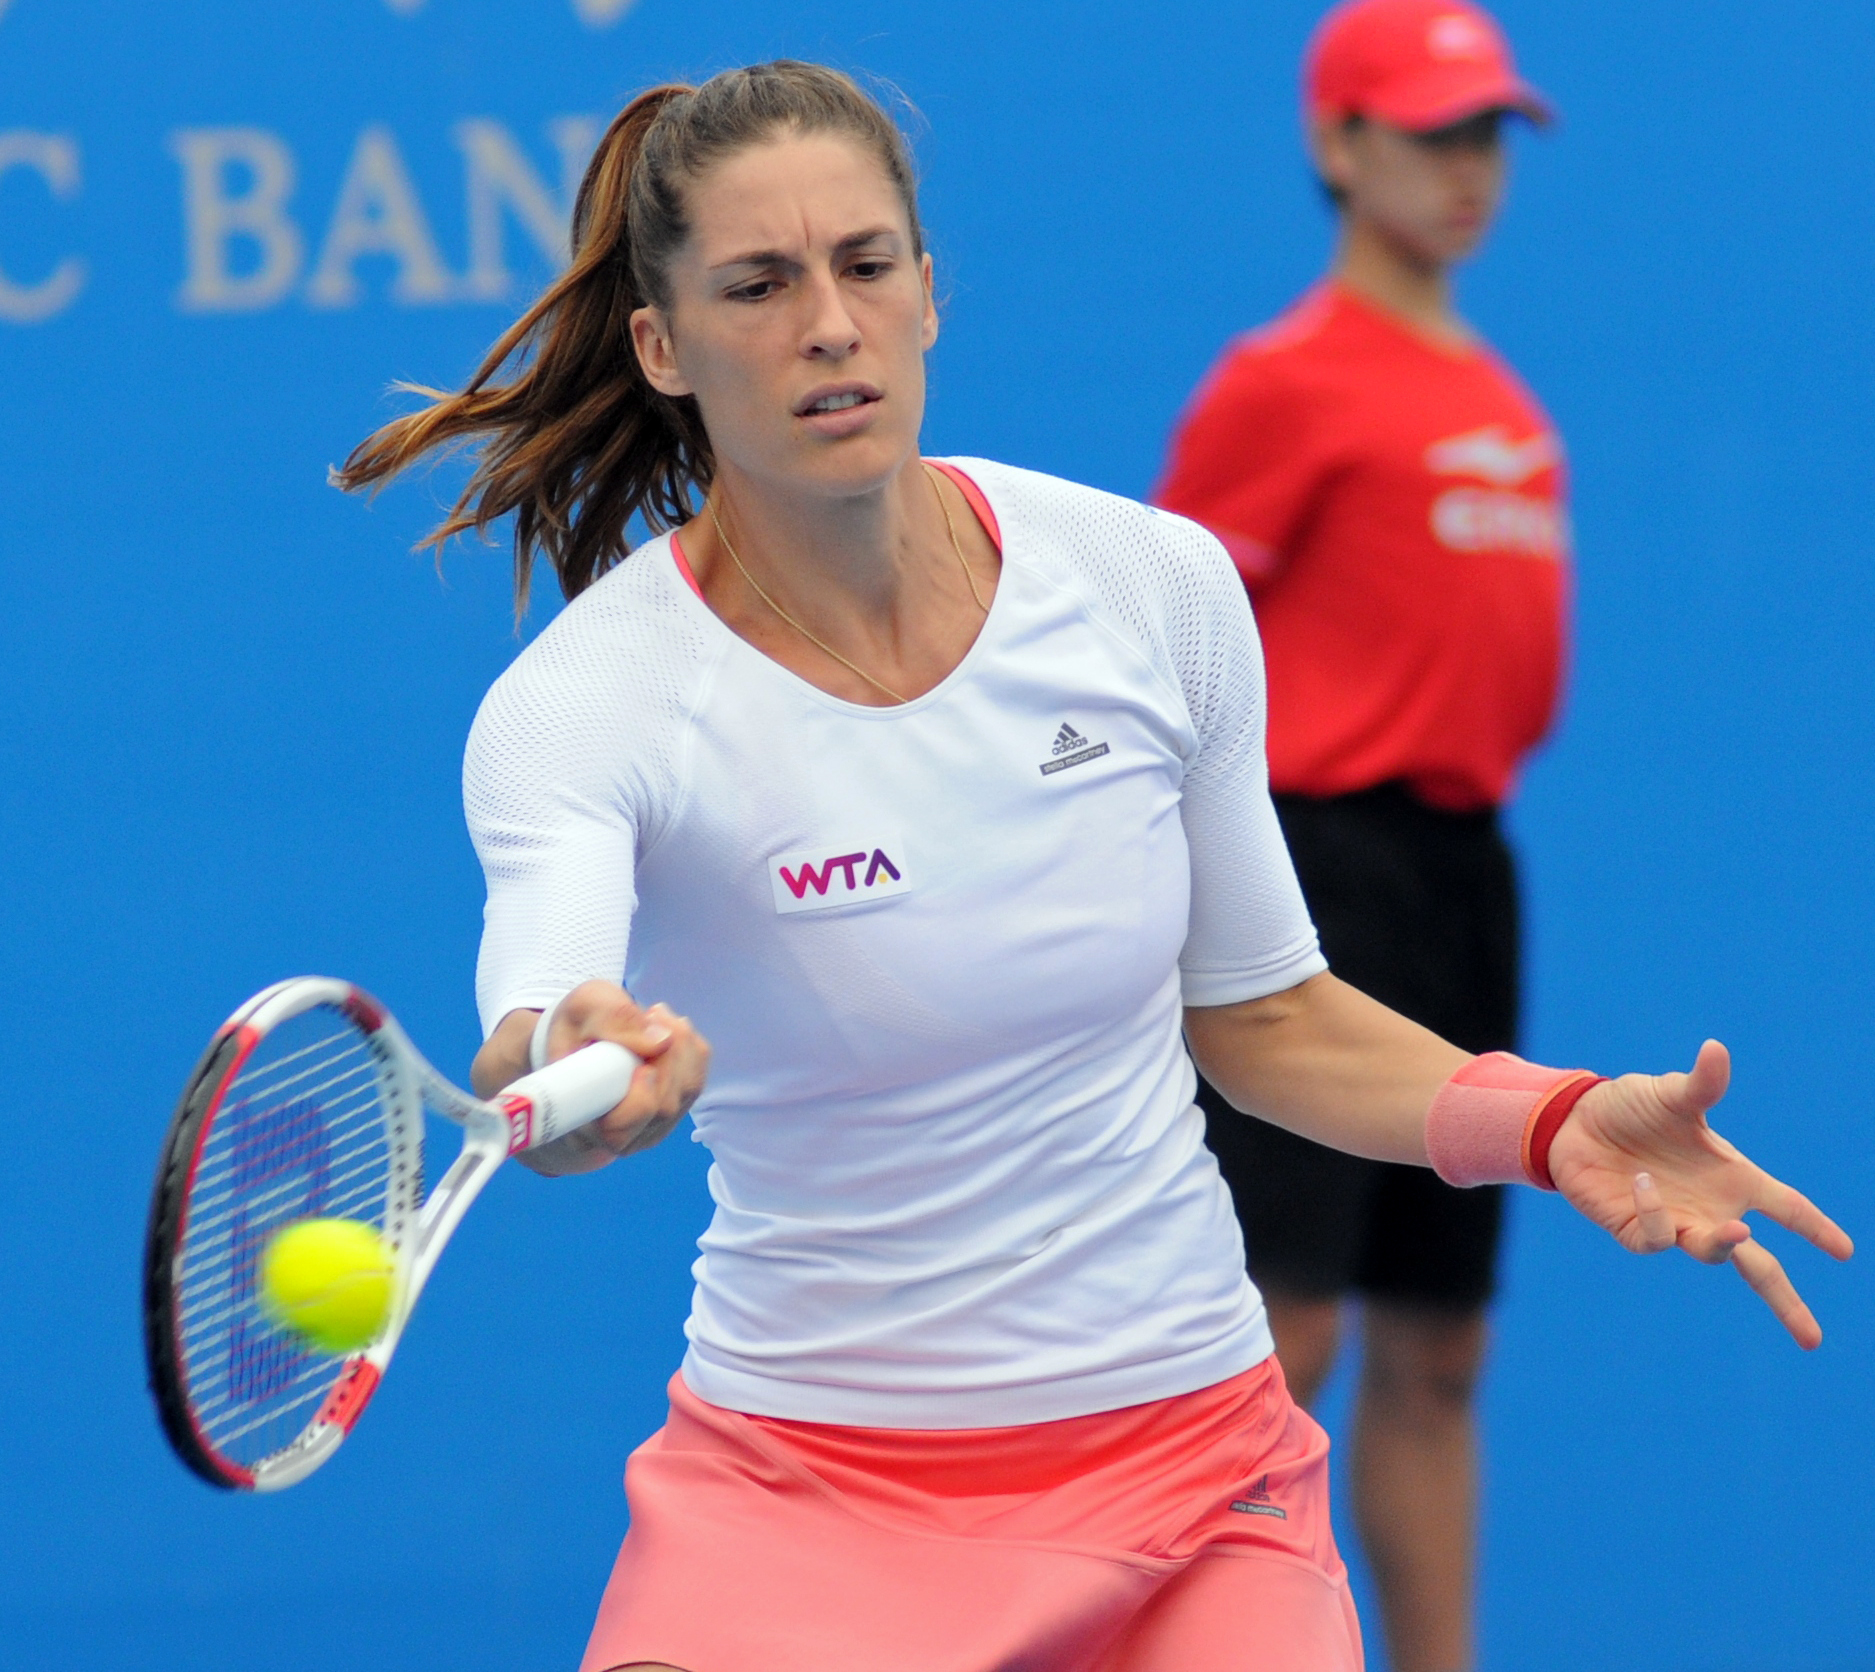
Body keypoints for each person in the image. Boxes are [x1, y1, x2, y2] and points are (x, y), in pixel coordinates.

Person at [334, 61, 1849, 1672]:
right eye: (758, 287)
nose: (828, 325)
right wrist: (576, 1063)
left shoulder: (1148, 585)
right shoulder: (585, 706)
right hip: (805, 1498)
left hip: (1198, 1495)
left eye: (865, 264)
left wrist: (1547, 1122)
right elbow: (545, 1023)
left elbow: (1266, 1019)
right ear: (665, 345)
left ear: (928, 292)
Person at [1154, 3, 1570, 1665]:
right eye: (1428, 134)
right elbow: (1164, 649)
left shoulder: (1506, 397)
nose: (1466, 173)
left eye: (1487, 139)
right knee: (1287, 1325)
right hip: (1317, 876)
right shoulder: (1282, 382)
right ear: (1337, 147)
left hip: (1466, 881)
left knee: (1438, 1341)